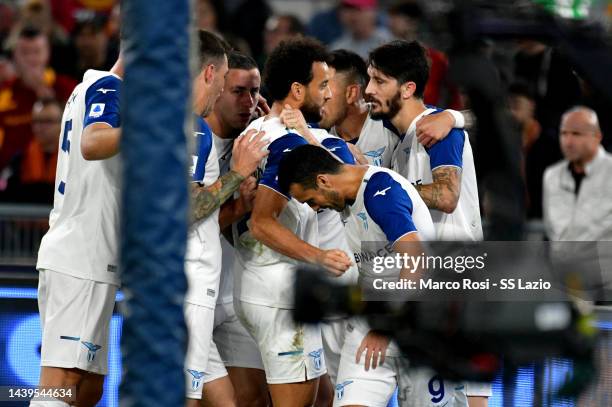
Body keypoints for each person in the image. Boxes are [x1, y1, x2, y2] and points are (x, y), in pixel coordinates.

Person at [365, 40, 490, 406]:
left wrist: (390, 188)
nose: (370, 90)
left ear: (407, 88)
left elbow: (447, 196)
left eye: (379, 81)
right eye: (370, 78)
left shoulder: (436, 128)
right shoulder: (401, 138)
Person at [276, 144, 446, 407]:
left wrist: (387, 324)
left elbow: (418, 258)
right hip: (371, 325)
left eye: (311, 200)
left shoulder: (380, 194)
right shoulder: (345, 194)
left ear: (323, 180)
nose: (315, 208)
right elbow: (326, 155)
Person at [233, 37, 352, 407]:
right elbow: (261, 222)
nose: (330, 93)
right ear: (297, 91)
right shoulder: (287, 145)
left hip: (256, 286)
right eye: (323, 85)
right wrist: (319, 256)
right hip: (281, 296)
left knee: (321, 400)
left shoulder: (254, 134)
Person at [183, 31, 268, 407]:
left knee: (243, 400)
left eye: (254, 92)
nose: (247, 102)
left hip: (232, 291)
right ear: (214, 81)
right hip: (190, 284)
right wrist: (236, 192)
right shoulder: (191, 133)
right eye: (235, 90)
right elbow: (185, 215)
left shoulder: (257, 140)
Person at [0, 26, 76, 173]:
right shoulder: (3, 94)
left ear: (47, 53)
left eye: (37, 52)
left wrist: (50, 98)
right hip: (13, 180)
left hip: (60, 174)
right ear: (14, 56)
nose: (31, 59)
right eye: (25, 53)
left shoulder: (68, 89)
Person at [543, 106, 612, 241]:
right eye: (563, 133)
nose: (568, 142)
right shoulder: (552, 175)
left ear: (597, 137)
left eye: (576, 134)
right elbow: (552, 231)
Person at [0, 97, 61, 203]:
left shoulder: (71, 159)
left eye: (47, 121)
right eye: (36, 121)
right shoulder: (20, 159)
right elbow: (4, 191)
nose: (40, 127)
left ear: (62, 123)